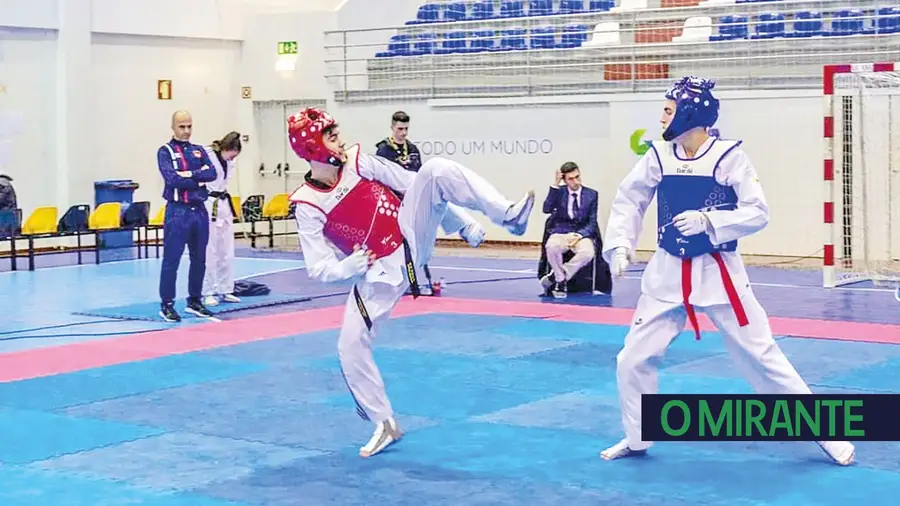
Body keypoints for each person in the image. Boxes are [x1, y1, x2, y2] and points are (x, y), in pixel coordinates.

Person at [599, 76, 855, 466]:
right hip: (667, 271)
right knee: (631, 359)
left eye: (668, 110)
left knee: (762, 355)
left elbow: (758, 211)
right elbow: (629, 199)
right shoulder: (658, 155)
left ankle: (825, 433)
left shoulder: (729, 156)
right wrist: (619, 244)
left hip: (719, 272)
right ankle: (638, 436)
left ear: (689, 113)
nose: (662, 117)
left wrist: (710, 221)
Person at [288, 107, 534, 458]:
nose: (339, 139)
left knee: (433, 170)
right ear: (312, 147)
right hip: (378, 276)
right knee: (349, 345)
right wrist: (347, 266)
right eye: (329, 135)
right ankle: (383, 422)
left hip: (408, 237)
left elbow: (411, 184)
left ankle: (507, 216)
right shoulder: (307, 204)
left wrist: (462, 224)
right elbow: (318, 266)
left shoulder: (359, 161)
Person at [157, 110, 217, 322]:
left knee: (199, 258)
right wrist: (196, 178)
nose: (186, 131)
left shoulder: (199, 150)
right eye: (182, 126)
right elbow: (172, 179)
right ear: (173, 127)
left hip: (199, 210)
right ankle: (167, 304)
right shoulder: (165, 152)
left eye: (189, 126)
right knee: (171, 259)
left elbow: (212, 173)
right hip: (177, 211)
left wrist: (190, 175)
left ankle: (194, 300)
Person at [539, 161, 600, 298]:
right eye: (571, 179)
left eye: (577, 177)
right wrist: (554, 185)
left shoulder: (592, 195)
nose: (576, 181)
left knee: (587, 253)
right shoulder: (559, 192)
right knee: (551, 247)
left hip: (580, 234)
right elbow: (546, 209)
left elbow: (592, 222)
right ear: (565, 180)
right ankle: (560, 281)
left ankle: (559, 275)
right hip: (561, 231)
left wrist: (579, 235)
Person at [202, 131, 243, 307]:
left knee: (227, 251)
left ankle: (226, 289)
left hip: (224, 204)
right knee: (209, 251)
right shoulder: (207, 155)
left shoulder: (230, 161)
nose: (233, 158)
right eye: (232, 154)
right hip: (209, 203)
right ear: (227, 148)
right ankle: (208, 292)